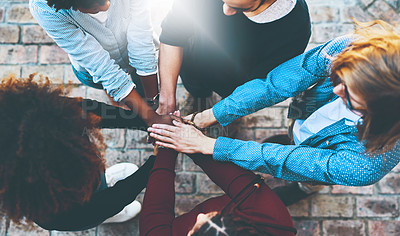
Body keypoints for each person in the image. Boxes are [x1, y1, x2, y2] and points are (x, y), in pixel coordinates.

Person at [148, 20, 400, 204]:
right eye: (339, 81)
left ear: (381, 110)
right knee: (290, 140)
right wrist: (209, 115)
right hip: (305, 119)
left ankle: (305, 189)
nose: (335, 92)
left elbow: (287, 160)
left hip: (323, 160)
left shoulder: (365, 164)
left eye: (351, 97)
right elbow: (276, 84)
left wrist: (210, 146)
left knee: (307, 174)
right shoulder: (352, 50)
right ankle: (294, 138)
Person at [0, 75, 159, 231]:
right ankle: (108, 213)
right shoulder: (54, 212)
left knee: (98, 182)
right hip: (88, 210)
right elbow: (112, 202)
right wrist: (155, 164)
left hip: (83, 190)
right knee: (101, 209)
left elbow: (90, 111)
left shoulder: (36, 111)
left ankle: (102, 182)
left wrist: (145, 122)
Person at [157, 0, 311, 115]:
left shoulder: (296, 30)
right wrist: (166, 100)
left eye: (239, 8)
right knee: (196, 90)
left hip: (236, 85)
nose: (226, 10)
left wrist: (221, 113)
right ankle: (199, 96)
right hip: (194, 59)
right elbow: (172, 33)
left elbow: (261, 88)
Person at [29, 0, 164, 126]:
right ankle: (118, 102)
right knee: (106, 85)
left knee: (140, 84)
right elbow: (101, 67)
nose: (107, 6)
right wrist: (151, 118)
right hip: (90, 69)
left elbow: (141, 38)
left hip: (130, 51)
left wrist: (153, 103)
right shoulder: (43, 8)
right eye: (95, 6)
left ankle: (128, 100)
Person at [139, 147, 296, 236]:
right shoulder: (276, 223)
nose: (200, 217)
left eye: (196, 232)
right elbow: (236, 179)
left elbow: (156, 211)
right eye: (219, 220)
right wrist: (187, 141)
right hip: (250, 203)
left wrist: (166, 147)